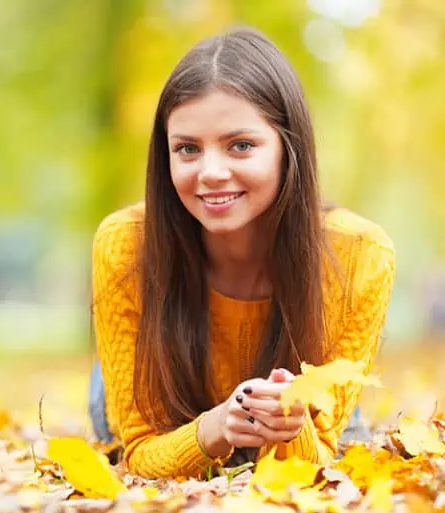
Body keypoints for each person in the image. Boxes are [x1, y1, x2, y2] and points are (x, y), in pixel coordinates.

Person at [89, 27, 395, 479]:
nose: (211, 172)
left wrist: (290, 428)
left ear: (287, 150)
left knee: (345, 444)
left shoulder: (358, 256)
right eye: (187, 149)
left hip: (302, 421)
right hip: (168, 409)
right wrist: (215, 427)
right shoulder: (124, 244)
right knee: (107, 398)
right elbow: (140, 453)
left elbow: (316, 461)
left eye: (241, 146)